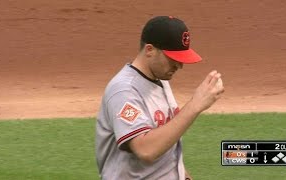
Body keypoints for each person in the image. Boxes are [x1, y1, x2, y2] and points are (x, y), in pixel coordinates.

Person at [95, 16, 224, 180]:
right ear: (150, 50)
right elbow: (146, 150)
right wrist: (195, 105)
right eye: (173, 59)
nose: (179, 66)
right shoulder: (124, 90)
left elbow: (165, 152)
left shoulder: (160, 79)